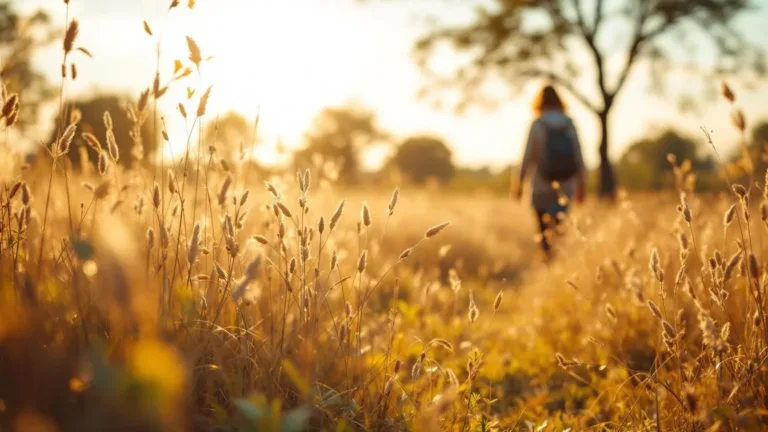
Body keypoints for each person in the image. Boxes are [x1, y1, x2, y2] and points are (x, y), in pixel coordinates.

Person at [513, 85, 586, 259]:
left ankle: (547, 260)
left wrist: (518, 184)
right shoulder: (570, 124)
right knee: (559, 229)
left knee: (543, 230)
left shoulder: (537, 124)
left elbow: (527, 156)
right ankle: (558, 263)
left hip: (540, 186)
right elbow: (579, 156)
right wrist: (582, 186)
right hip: (566, 187)